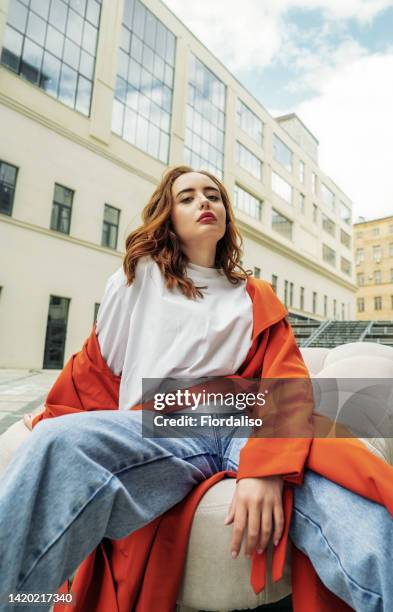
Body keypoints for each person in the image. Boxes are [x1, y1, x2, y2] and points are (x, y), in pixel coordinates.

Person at [1, 165, 392, 612]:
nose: (203, 202)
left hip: (244, 419)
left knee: (358, 512)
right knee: (56, 443)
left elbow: (286, 381)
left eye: (213, 195)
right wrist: (52, 420)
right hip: (162, 425)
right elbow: (95, 371)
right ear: (166, 216)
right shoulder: (135, 279)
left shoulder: (255, 294)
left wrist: (265, 469)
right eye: (186, 197)